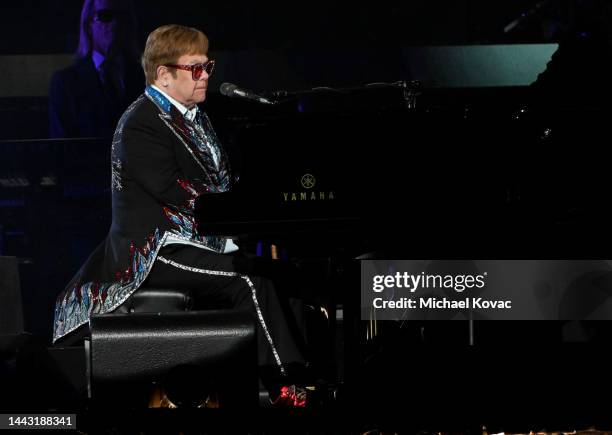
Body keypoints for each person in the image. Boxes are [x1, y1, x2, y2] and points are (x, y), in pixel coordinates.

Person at [52, 24, 308, 406]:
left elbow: (223, 183)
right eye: (195, 68)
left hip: (195, 241)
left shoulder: (196, 118)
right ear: (163, 75)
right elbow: (179, 193)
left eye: (208, 66)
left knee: (285, 274)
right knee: (251, 281)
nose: (205, 75)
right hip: (153, 251)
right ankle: (286, 389)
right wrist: (238, 216)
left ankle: (307, 378)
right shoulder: (141, 122)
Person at [48, 0, 144, 138]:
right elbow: (61, 148)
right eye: (105, 16)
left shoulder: (147, 80)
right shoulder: (66, 83)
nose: (115, 24)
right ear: (88, 25)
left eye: (122, 16)